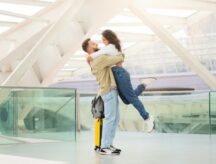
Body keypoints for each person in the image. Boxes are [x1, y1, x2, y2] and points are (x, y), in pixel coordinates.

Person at [87, 30, 154, 132]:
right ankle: (143, 84)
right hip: (118, 76)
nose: (103, 42)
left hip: (120, 74)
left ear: (109, 38)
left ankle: (147, 118)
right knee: (127, 100)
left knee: (132, 99)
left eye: (104, 39)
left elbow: (94, 55)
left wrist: (88, 57)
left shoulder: (110, 47)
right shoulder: (110, 48)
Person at [82, 38, 124, 155]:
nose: (96, 44)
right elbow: (118, 58)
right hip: (108, 90)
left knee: (115, 119)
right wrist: (120, 51)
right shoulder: (99, 58)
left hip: (110, 90)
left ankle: (109, 144)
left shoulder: (96, 58)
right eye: (93, 43)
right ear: (89, 49)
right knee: (111, 119)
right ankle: (105, 146)